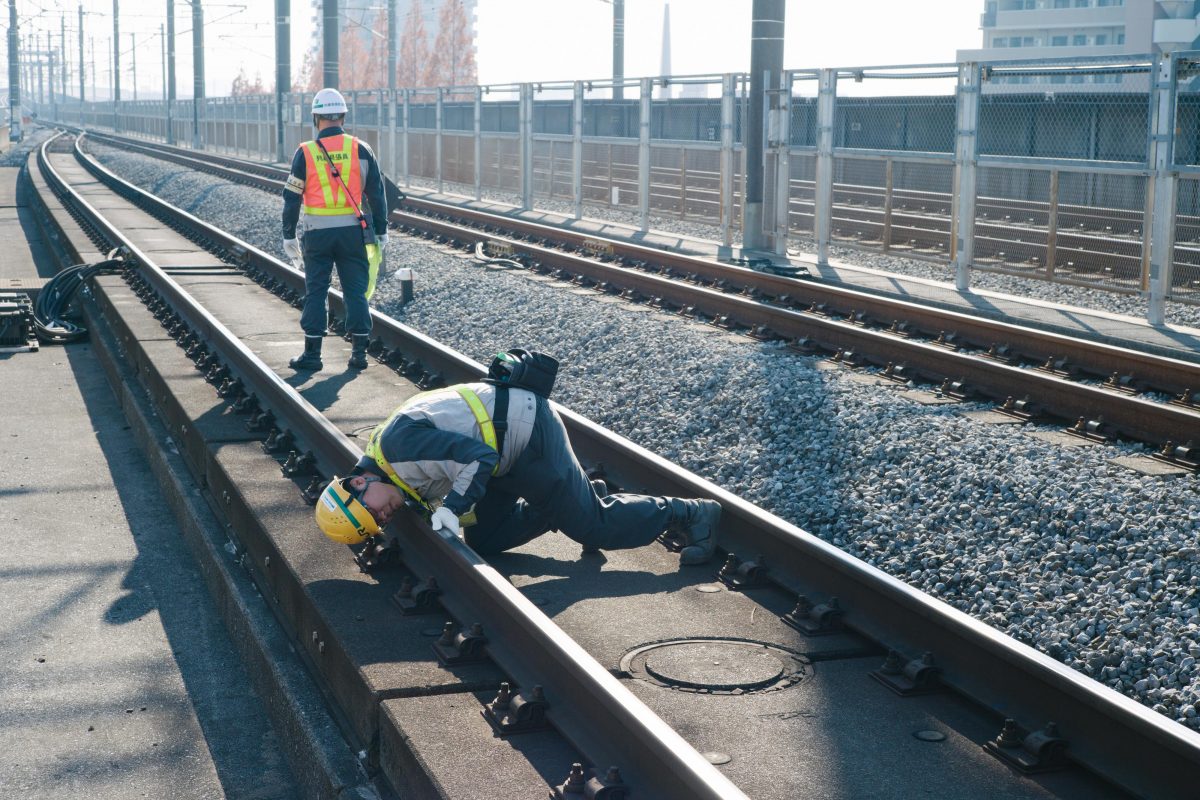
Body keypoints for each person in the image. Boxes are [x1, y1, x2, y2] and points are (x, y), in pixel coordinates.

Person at [314, 349, 721, 565]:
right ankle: (560, 506)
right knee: (488, 541)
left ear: (359, 482)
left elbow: (478, 457)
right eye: (377, 525)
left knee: (594, 527)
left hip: (527, 434)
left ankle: (690, 512)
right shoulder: (387, 471)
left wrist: (453, 508)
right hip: (499, 455)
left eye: (374, 514)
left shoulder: (398, 448)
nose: (384, 519)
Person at [282, 87, 389, 372]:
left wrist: (288, 233)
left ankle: (313, 355)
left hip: (317, 233)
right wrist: (382, 230)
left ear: (316, 118)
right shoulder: (361, 149)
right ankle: (359, 355)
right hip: (353, 232)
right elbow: (377, 194)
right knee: (355, 290)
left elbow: (292, 198)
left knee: (316, 290)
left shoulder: (305, 153)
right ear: (342, 116)